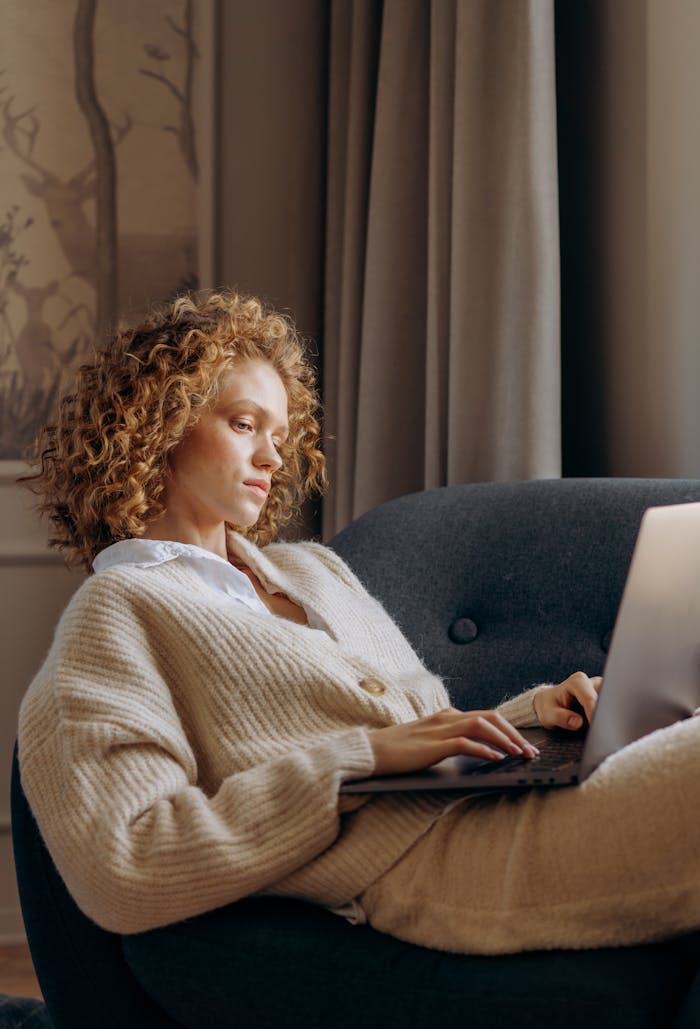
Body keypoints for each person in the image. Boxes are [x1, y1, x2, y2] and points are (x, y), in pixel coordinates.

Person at [17, 290, 700, 956]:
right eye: (244, 424)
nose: (273, 458)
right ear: (156, 424)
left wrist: (533, 716)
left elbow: (423, 731)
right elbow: (125, 863)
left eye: (281, 436)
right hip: (431, 866)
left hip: (496, 806)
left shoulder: (314, 570)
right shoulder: (119, 614)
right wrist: (354, 761)